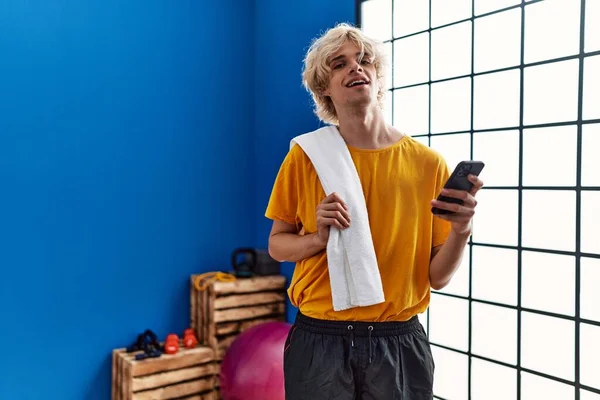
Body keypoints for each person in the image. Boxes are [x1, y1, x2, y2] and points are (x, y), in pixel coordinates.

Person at [265, 23, 483, 400]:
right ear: (324, 89)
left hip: (398, 341)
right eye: (340, 64)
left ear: (378, 79)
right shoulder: (305, 156)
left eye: (365, 60)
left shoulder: (427, 164)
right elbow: (277, 246)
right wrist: (317, 237)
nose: (356, 67)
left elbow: (437, 278)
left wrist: (462, 230)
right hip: (320, 339)